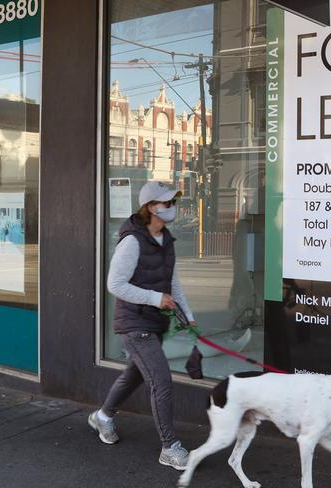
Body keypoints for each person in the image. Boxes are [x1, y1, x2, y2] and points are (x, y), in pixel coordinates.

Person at [89, 180, 197, 471]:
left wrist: (188, 314)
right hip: (134, 323)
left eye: (174, 202)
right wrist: (153, 297)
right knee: (161, 381)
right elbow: (115, 284)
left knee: (134, 376)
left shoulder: (166, 240)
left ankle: (104, 416)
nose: (172, 208)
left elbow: (172, 283)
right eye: (167, 203)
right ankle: (169, 446)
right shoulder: (132, 241)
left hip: (153, 321)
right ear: (151, 207)